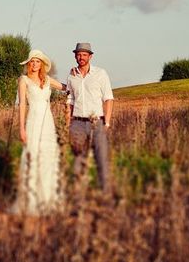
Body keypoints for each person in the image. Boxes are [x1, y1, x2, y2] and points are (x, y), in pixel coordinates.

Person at [15, 49, 65, 214]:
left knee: (48, 157)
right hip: (33, 122)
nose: (35, 64)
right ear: (29, 64)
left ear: (41, 64)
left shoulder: (48, 80)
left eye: (37, 61)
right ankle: (30, 202)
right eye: (32, 61)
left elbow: (66, 88)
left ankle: (47, 200)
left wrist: (75, 77)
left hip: (48, 123)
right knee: (32, 156)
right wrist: (21, 128)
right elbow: (22, 105)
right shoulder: (24, 80)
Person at [64, 42, 114, 192]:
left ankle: (106, 196)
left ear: (90, 56)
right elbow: (70, 100)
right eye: (79, 54)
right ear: (75, 56)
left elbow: (108, 99)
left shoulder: (100, 74)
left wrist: (107, 123)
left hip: (96, 122)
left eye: (84, 54)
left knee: (101, 159)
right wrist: (68, 124)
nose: (81, 57)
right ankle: (79, 197)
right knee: (78, 161)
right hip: (77, 123)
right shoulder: (72, 76)